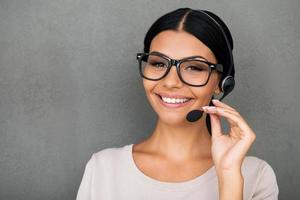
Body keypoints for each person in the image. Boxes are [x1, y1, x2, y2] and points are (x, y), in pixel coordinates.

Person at [76, 8, 279, 200]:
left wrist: (229, 178)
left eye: (194, 67)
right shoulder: (102, 168)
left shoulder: (256, 175)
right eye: (158, 63)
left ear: (222, 83)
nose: (171, 82)